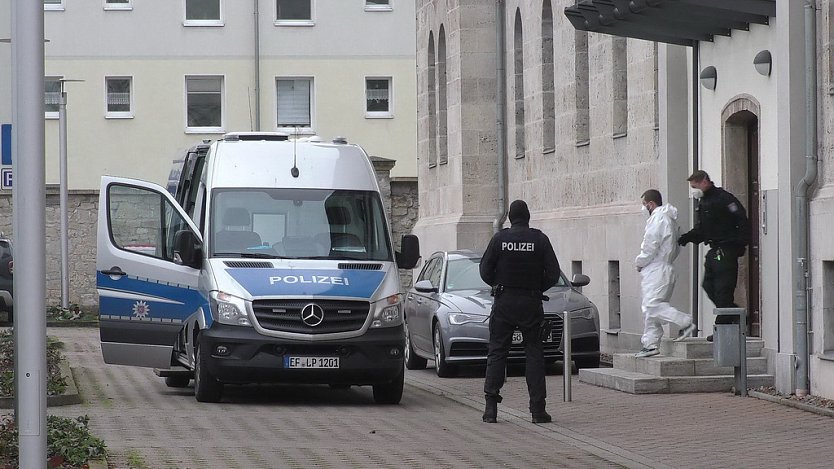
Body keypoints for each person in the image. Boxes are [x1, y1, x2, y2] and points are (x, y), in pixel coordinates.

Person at [479, 199, 561, 424]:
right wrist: (536, 288)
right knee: (534, 353)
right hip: (530, 302)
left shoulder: (499, 239)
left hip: (504, 301)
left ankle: (490, 408)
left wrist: (498, 284)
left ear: (510, 218)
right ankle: (537, 410)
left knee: (497, 352)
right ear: (528, 217)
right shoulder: (540, 239)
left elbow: (484, 270)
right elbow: (553, 274)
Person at [677, 170, 751, 341]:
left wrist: (740, 243)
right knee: (708, 285)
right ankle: (734, 313)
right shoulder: (704, 202)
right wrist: (687, 238)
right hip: (715, 250)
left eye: (695, 185)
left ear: (704, 181)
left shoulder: (723, 198)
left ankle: (723, 326)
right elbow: (703, 229)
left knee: (723, 289)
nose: (694, 189)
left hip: (726, 249)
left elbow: (741, 218)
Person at [634, 189, 696, 358]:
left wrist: (640, 262)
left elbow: (650, 246)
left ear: (651, 204)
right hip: (664, 268)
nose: (643, 208)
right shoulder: (669, 219)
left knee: (652, 306)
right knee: (651, 308)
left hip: (657, 269)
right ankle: (650, 344)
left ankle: (685, 322)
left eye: (644, 205)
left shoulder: (658, 219)